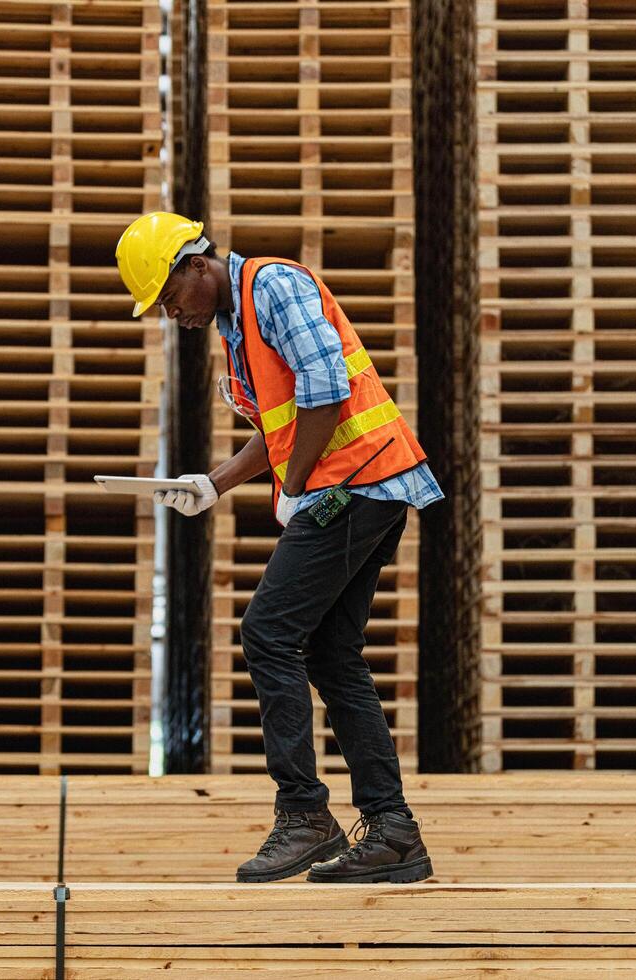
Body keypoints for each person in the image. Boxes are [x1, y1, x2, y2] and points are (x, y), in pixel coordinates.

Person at [115, 211, 443, 884]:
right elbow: (281, 425)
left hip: (354, 480)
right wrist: (213, 484)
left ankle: (304, 815)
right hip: (365, 484)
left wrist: (294, 489)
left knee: (268, 633)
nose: (172, 314)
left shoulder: (273, 287)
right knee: (330, 652)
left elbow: (327, 394)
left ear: (197, 267)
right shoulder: (236, 329)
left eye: (171, 298)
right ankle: (393, 832)